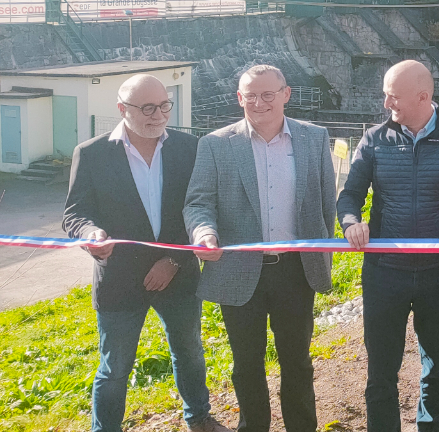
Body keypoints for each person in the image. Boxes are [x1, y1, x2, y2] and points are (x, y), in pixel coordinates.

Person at [63, 74, 229, 432]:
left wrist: (174, 260)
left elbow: (200, 207)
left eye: (164, 105)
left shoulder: (190, 147)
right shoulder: (91, 154)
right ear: (123, 109)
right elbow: (75, 214)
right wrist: (90, 234)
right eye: (148, 107)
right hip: (118, 280)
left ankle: (198, 419)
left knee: (189, 353)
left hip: (178, 274)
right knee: (115, 367)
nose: (158, 115)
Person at [337, 60, 439, 432]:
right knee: (381, 371)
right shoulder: (374, 139)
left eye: (393, 96)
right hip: (384, 274)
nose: (387, 103)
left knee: (437, 367)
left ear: (423, 97)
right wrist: (352, 223)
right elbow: (349, 196)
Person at [185, 65, 338, 432]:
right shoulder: (215, 144)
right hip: (238, 269)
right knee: (246, 364)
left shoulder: (314, 139)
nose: (259, 102)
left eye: (268, 94)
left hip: (295, 271)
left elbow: (325, 204)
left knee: (297, 361)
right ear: (239, 98)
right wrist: (203, 232)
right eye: (250, 95)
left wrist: (323, 256)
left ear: (286, 94)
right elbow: (198, 202)